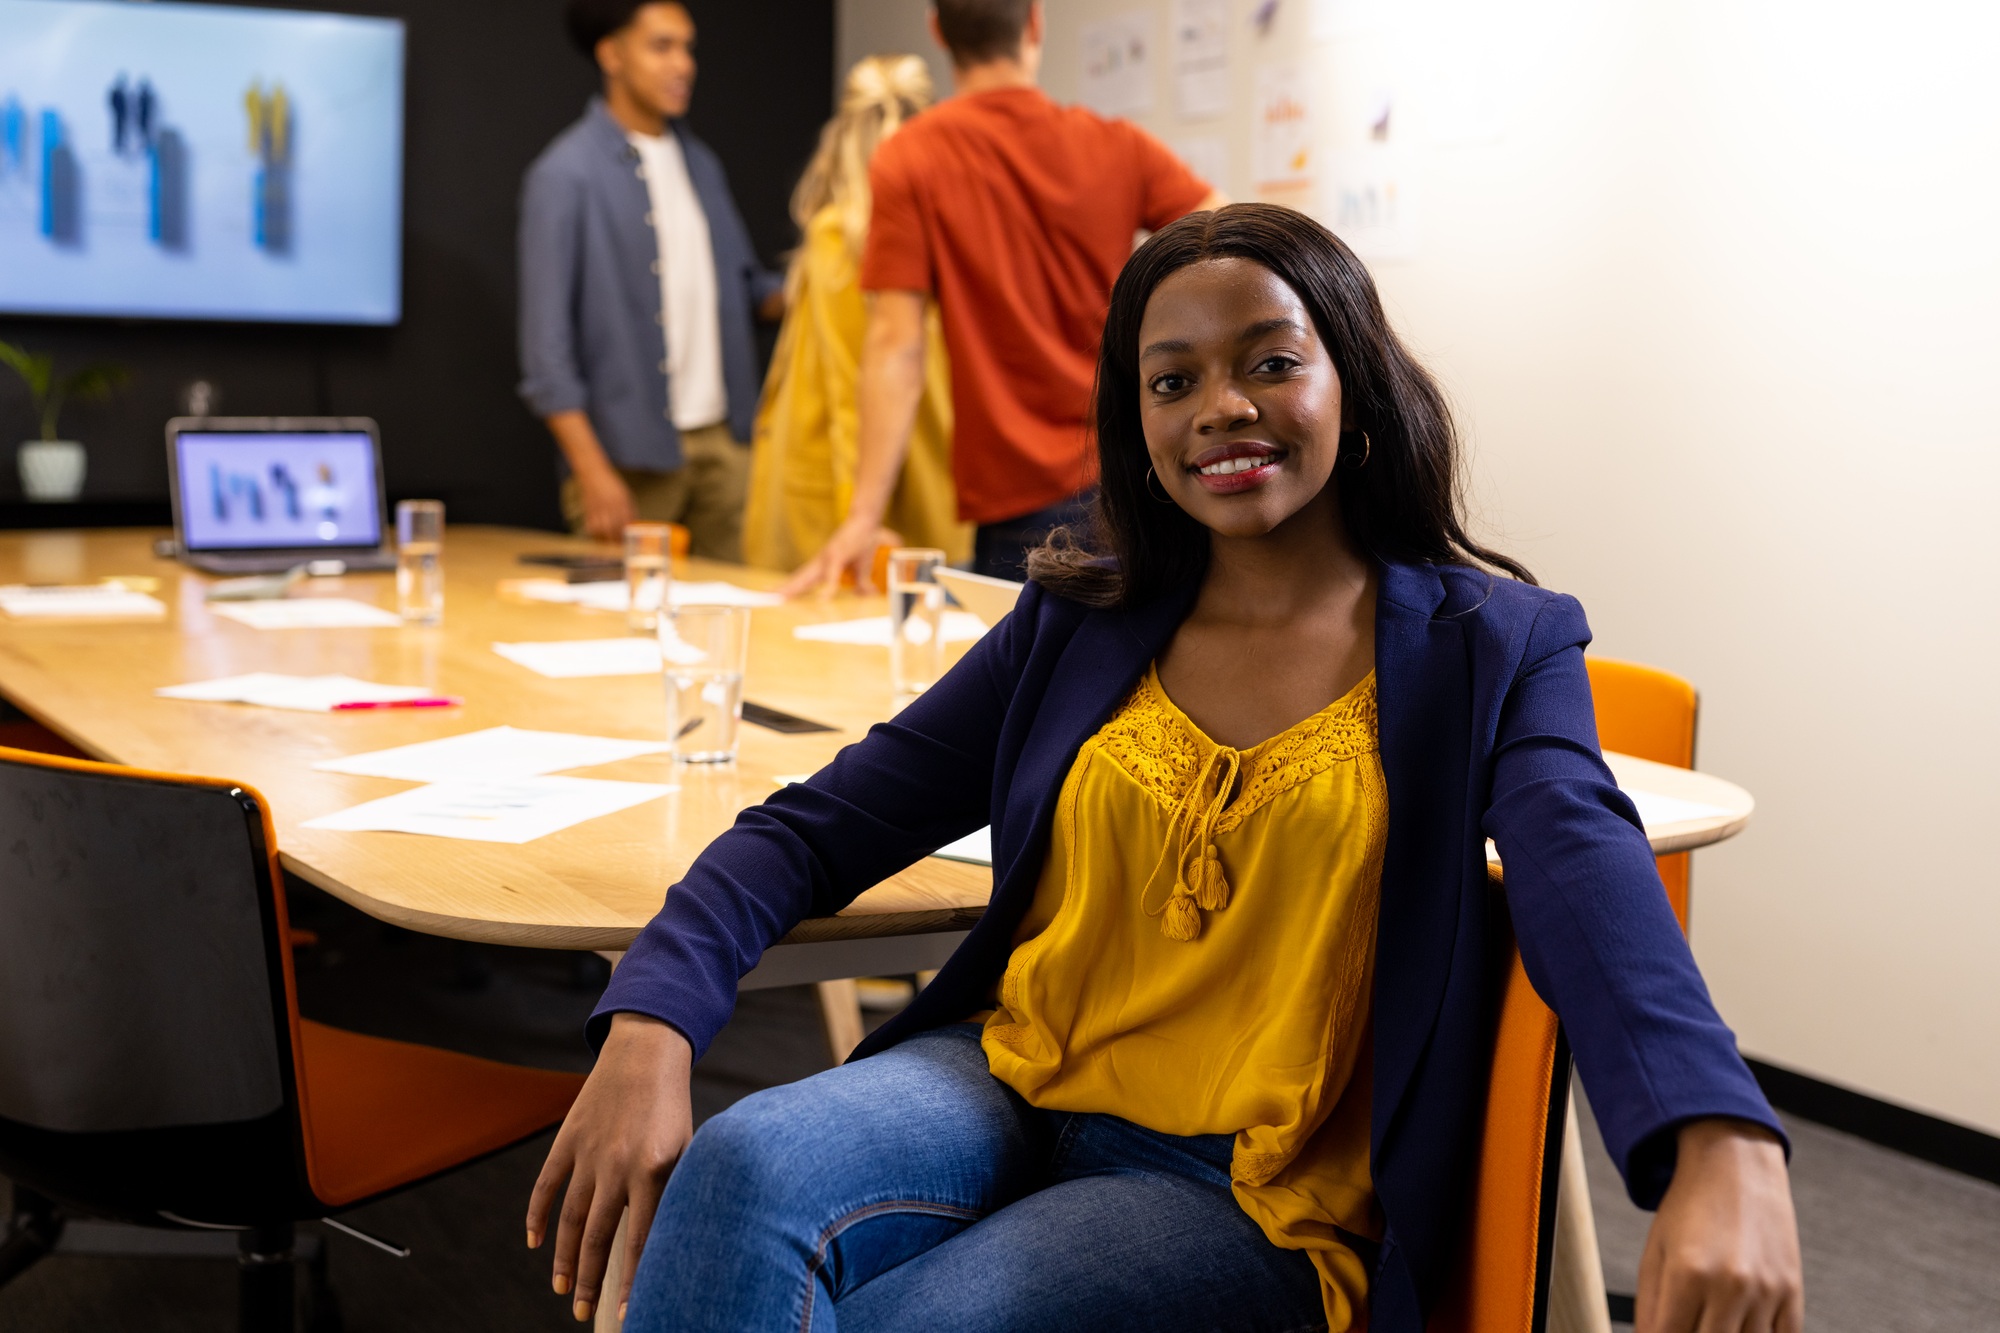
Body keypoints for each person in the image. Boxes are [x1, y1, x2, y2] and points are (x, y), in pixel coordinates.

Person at [526, 204, 1805, 1332]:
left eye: (1268, 363)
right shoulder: (1083, 615)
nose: (1219, 410)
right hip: (1007, 1074)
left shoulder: (1493, 646)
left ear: (1349, 378)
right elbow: (813, 828)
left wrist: (1719, 1134)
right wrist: (652, 1020)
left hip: (1244, 1183)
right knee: (737, 1165)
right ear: (1136, 422)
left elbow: (1589, 874)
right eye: (1171, 379)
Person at [782, 0, 1226, 591]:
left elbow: (896, 346)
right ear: (1035, 23)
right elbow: (1231, 234)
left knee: (1032, 679)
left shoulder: (912, 158)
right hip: (1134, 473)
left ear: (937, 30)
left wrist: (863, 516)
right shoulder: (1115, 144)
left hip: (1022, 501)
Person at [518, 0, 782, 558]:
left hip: (724, 449)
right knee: (619, 636)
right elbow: (546, 354)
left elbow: (749, 292)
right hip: (625, 458)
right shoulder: (565, 174)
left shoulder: (701, 165)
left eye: (687, 47)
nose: (683, 64)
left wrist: (834, 273)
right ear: (611, 53)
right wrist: (592, 473)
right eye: (661, 46)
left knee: (735, 625)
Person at [742, 56, 969, 572]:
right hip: (933, 486)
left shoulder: (841, 236)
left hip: (837, 506)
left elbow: (852, 389)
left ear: (843, 131)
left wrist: (859, 518)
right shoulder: (946, 229)